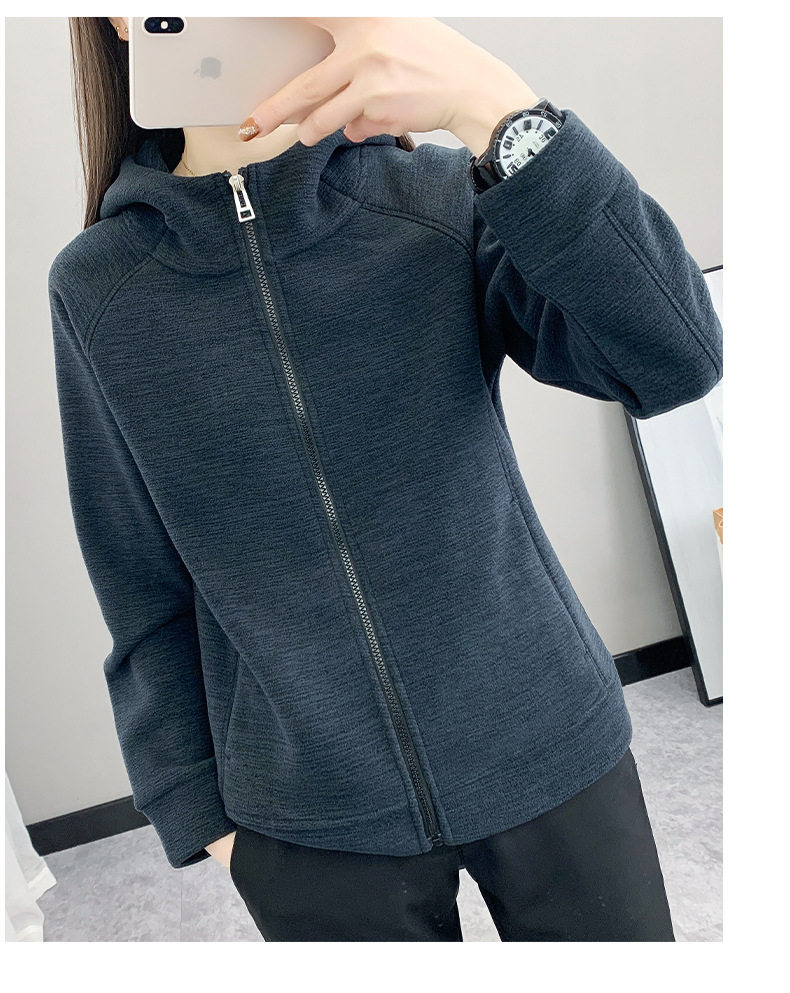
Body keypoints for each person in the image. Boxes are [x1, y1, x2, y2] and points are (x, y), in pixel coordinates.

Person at [50, 16, 722, 941]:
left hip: (548, 740)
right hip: (309, 822)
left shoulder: (437, 199)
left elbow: (672, 358)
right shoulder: (99, 288)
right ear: (120, 17)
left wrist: (496, 108)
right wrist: (201, 817)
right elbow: (136, 574)